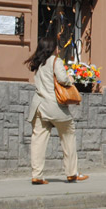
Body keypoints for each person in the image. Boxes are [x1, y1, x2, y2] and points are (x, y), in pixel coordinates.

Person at [26, 36, 92, 185]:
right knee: (68, 135)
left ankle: (37, 175)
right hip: (54, 106)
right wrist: (71, 78)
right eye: (56, 47)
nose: (58, 49)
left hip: (38, 106)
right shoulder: (56, 61)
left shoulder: (37, 63)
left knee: (38, 140)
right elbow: (63, 79)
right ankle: (72, 172)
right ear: (52, 48)